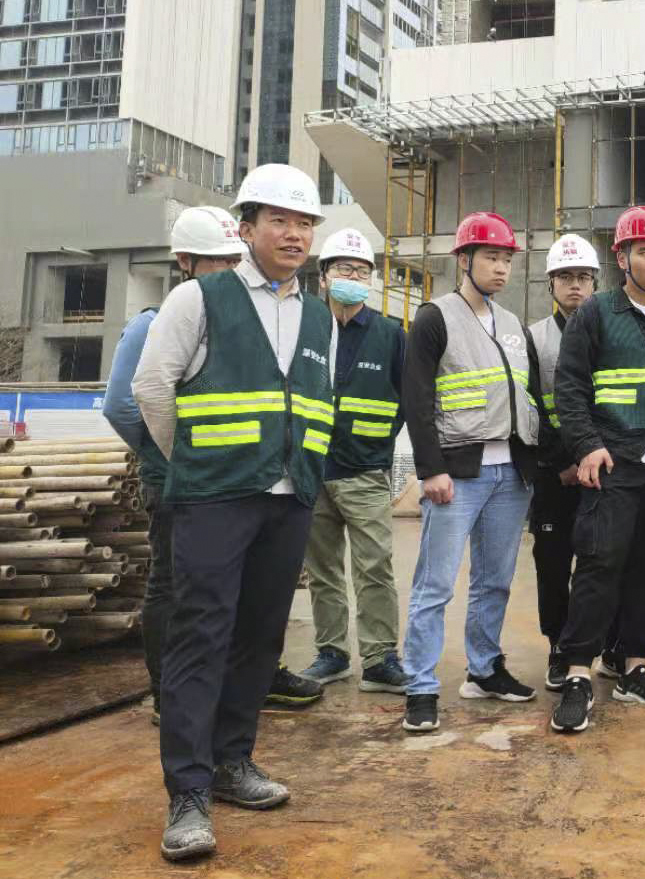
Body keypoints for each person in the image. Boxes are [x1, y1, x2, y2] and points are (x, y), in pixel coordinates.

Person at [132, 164, 337, 861]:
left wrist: (300, 475)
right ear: (246, 228)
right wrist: (194, 462)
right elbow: (151, 388)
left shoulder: (318, 314)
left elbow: (317, 399)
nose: (294, 234)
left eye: (304, 223)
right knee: (201, 636)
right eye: (279, 220)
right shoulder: (200, 297)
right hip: (213, 499)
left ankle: (231, 761)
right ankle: (187, 791)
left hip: (287, 499)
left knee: (259, 637)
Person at [549, 205, 645, 734]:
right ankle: (577, 673)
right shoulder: (596, 314)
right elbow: (570, 388)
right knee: (599, 562)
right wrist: (587, 447)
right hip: (613, 460)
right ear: (622, 258)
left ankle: (634, 665)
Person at [400, 211, 542, 734]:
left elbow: (529, 398)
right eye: (491, 257)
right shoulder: (434, 318)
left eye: (506, 259)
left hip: (511, 475)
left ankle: (484, 670)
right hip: (458, 474)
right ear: (464, 259)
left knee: (495, 581)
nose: (501, 268)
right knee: (435, 583)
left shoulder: (513, 325)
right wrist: (431, 469)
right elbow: (416, 399)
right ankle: (420, 686)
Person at [103, 207, 244, 726]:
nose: (229, 271)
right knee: (171, 584)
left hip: (228, 478)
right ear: (185, 262)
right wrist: (171, 456)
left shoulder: (233, 325)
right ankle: (168, 694)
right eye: (217, 261)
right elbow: (123, 406)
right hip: (175, 479)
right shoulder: (153, 324)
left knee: (222, 586)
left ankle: (226, 682)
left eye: (235, 261)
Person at [296, 228, 409, 693]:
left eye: (362, 272)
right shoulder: (305, 326)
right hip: (311, 470)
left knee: (374, 567)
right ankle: (332, 653)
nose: (354, 278)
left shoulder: (390, 335)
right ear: (323, 277)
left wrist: (375, 445)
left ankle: (380, 657)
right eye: (345, 269)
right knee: (322, 570)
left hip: (364, 472)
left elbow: (407, 401)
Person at [527, 233, 609, 691]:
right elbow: (530, 405)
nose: (574, 285)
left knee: (603, 561)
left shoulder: (611, 331)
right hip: (556, 473)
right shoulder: (535, 338)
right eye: (565, 277)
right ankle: (559, 647)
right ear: (551, 284)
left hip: (604, 467)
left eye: (582, 277)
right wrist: (562, 460)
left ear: (595, 282)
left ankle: (604, 643)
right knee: (554, 564)